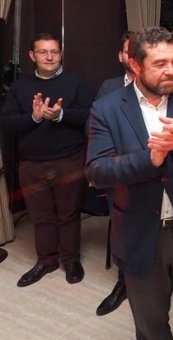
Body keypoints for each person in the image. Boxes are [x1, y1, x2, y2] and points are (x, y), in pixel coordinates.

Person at [85, 26, 173, 339]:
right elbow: (96, 171)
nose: (171, 71)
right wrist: (149, 160)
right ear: (135, 65)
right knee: (151, 330)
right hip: (139, 235)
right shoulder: (107, 108)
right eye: (160, 64)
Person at [0, 33, 92, 288]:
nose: (49, 57)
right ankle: (46, 260)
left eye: (54, 51)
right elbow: (7, 123)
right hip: (31, 164)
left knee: (69, 214)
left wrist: (61, 115)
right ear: (32, 56)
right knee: (40, 216)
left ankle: (71, 259)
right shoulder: (20, 87)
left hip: (69, 160)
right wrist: (34, 117)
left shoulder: (76, 81)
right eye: (43, 52)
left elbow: (89, 115)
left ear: (61, 54)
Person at [94, 31, 135, 317]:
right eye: (128, 51)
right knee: (121, 229)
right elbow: (95, 127)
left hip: (155, 173)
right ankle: (123, 283)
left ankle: (153, 282)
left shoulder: (161, 85)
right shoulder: (108, 87)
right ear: (121, 56)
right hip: (118, 174)